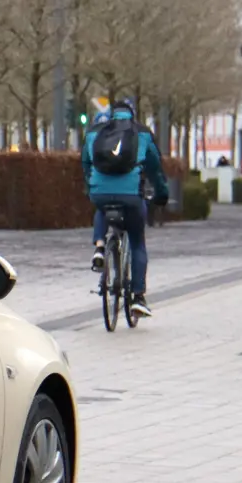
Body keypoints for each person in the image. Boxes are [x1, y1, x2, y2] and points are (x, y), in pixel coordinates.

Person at [83, 99, 170, 318]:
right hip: (131, 196)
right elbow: (155, 169)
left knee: (101, 208)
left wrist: (91, 187)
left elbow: (85, 162)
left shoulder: (96, 132)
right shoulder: (141, 134)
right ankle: (138, 297)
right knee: (137, 241)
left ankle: (100, 247)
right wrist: (161, 194)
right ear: (132, 114)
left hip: (99, 193)